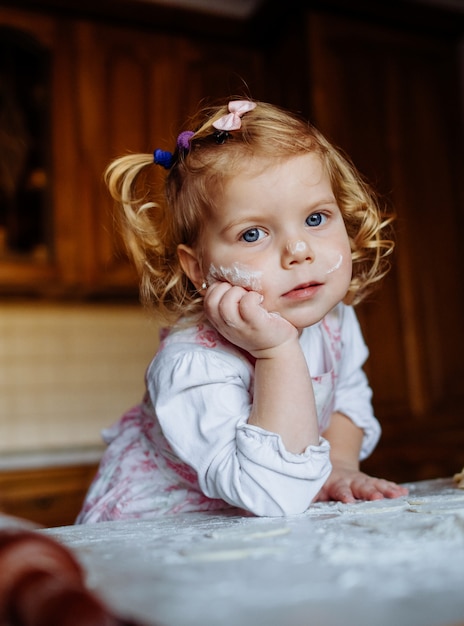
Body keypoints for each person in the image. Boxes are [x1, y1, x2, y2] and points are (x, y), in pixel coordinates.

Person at [76, 98, 408, 523]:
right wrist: (278, 352)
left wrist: (338, 466)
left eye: (315, 218)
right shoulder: (194, 361)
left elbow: (347, 395)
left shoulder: (334, 319)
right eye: (253, 233)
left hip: (259, 526)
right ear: (198, 268)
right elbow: (272, 493)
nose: (298, 251)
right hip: (161, 528)